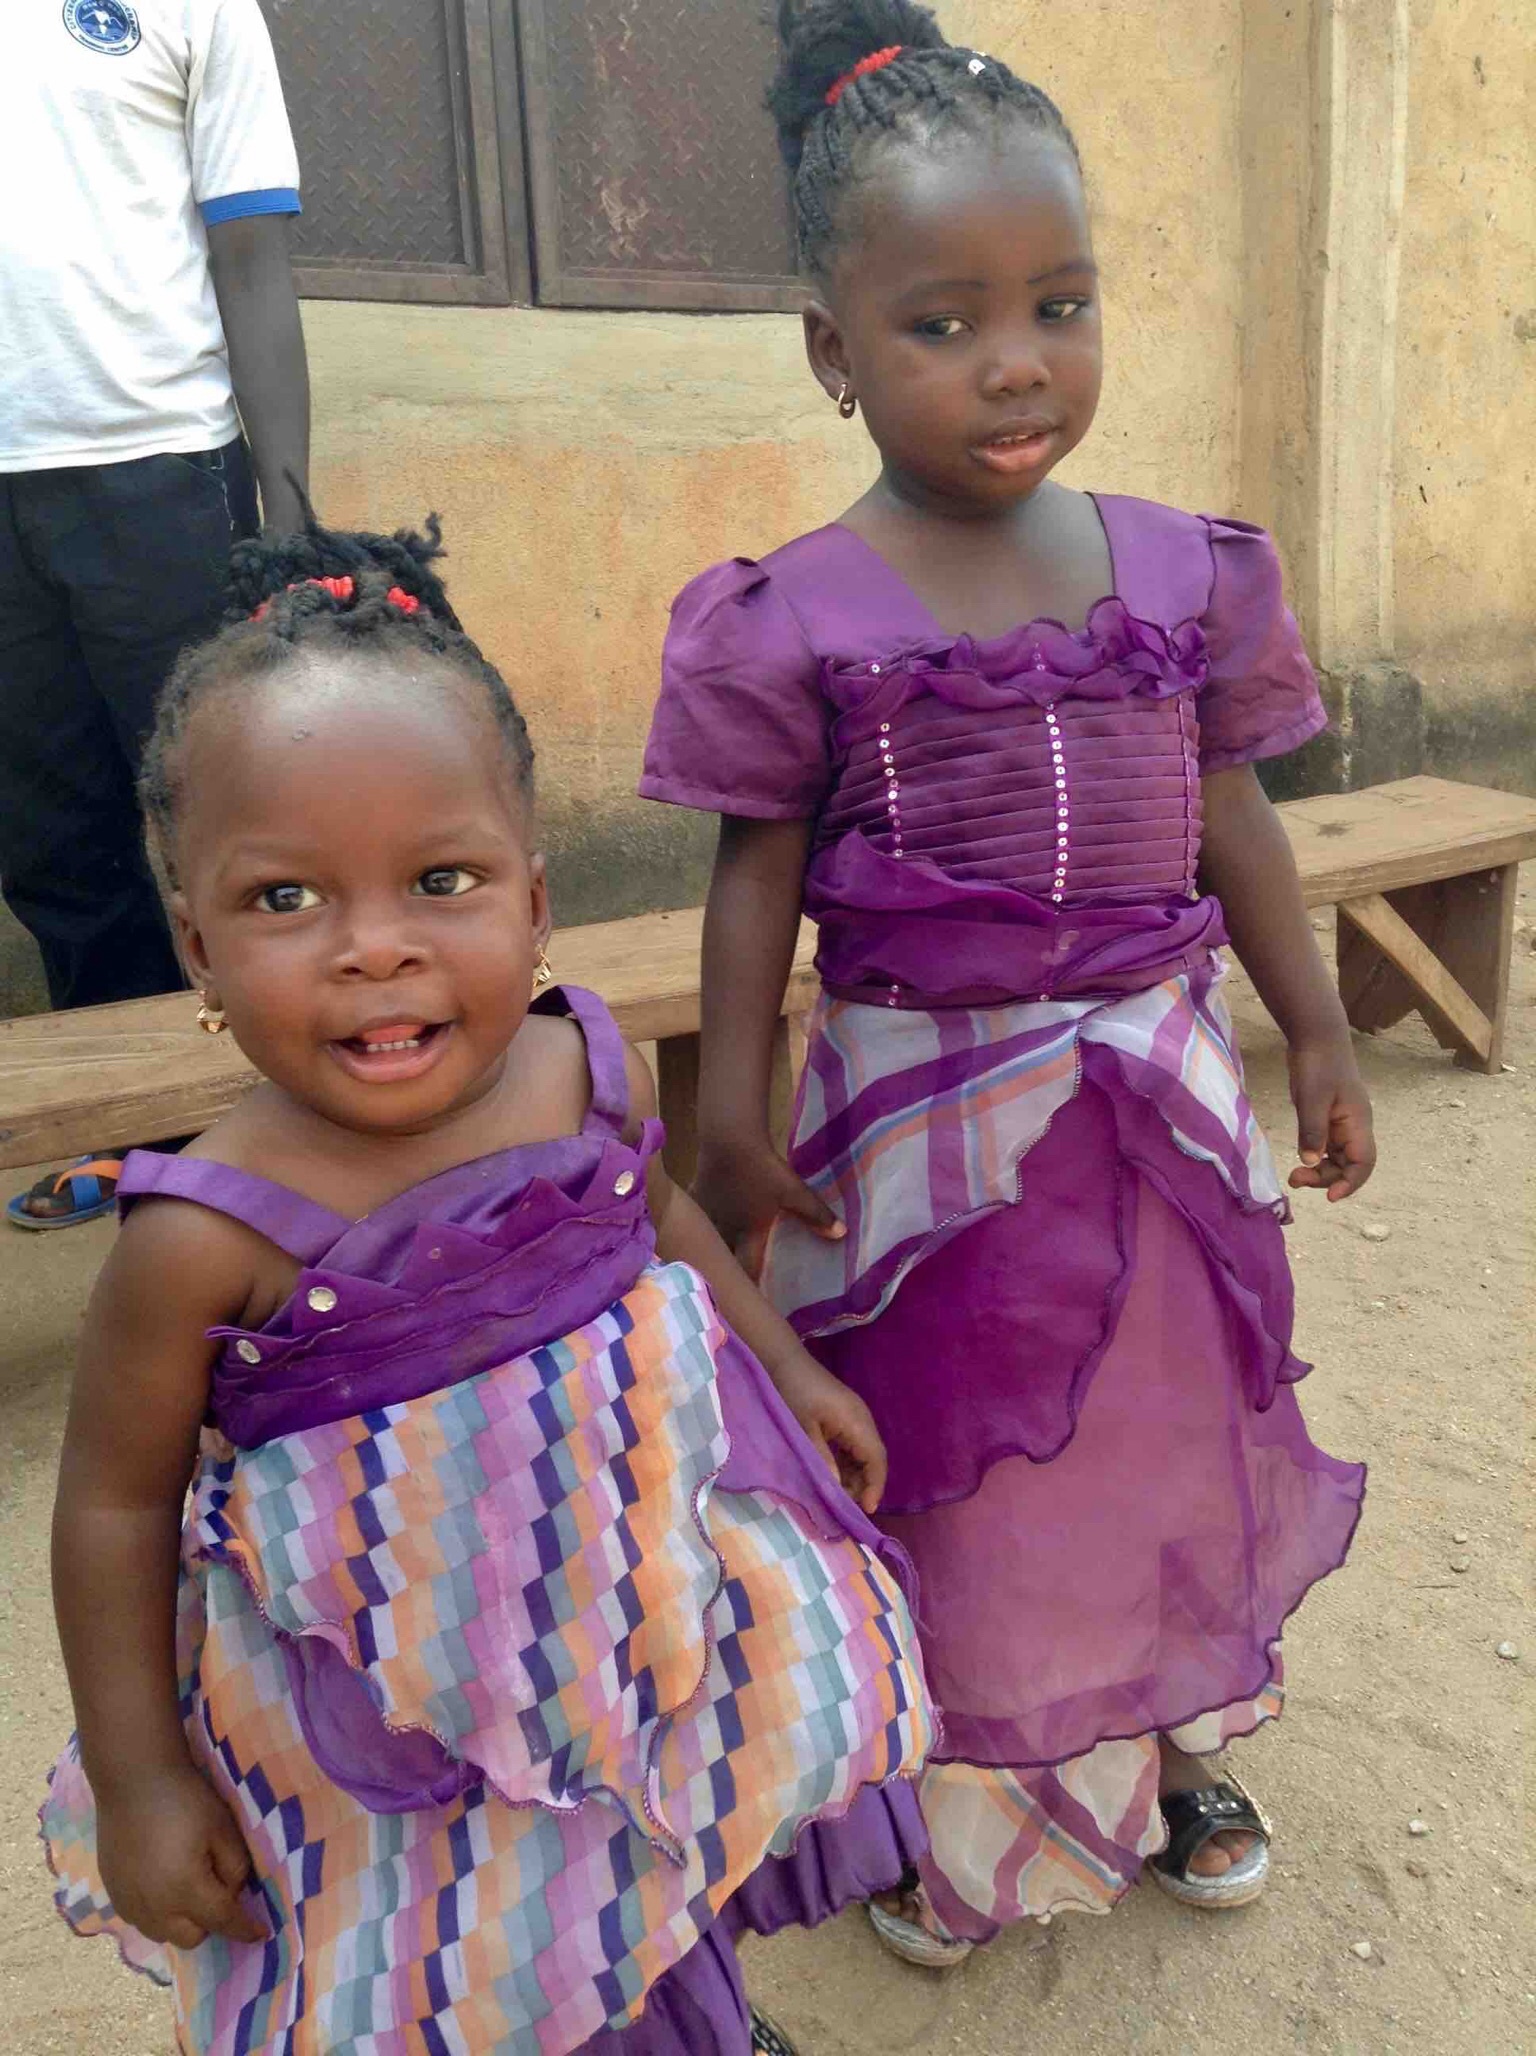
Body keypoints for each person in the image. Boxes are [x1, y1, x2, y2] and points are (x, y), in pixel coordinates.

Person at [640, 0, 1372, 1959]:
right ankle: (963, 1793)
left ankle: (1173, 1730)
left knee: (1156, 1413)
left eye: (1059, 302)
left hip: (1156, 1101)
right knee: (952, 1443)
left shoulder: (1183, 570)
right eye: (942, 322)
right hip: (918, 1126)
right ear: (832, 349)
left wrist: (1314, 1025)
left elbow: (1232, 811)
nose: (1014, 362)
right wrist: (727, 1117)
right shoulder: (790, 614)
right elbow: (754, 874)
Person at [40, 519, 933, 2054]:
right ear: (192, 942)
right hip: (380, 1719)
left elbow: (659, 1218)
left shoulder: (572, 1064)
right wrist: (139, 1780)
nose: (372, 950)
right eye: (283, 902)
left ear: (534, 897)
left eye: (439, 880)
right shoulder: (201, 1234)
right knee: (454, 1960)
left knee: (636, 1857)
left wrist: (786, 1368)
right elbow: (111, 1510)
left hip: (625, 1606)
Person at [5, 0, 309, 1227]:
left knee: (234, 817)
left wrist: (288, 529)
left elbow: (252, 260)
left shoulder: (198, 10)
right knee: (50, 840)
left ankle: (295, 1121)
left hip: (162, 467)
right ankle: (140, 1135)